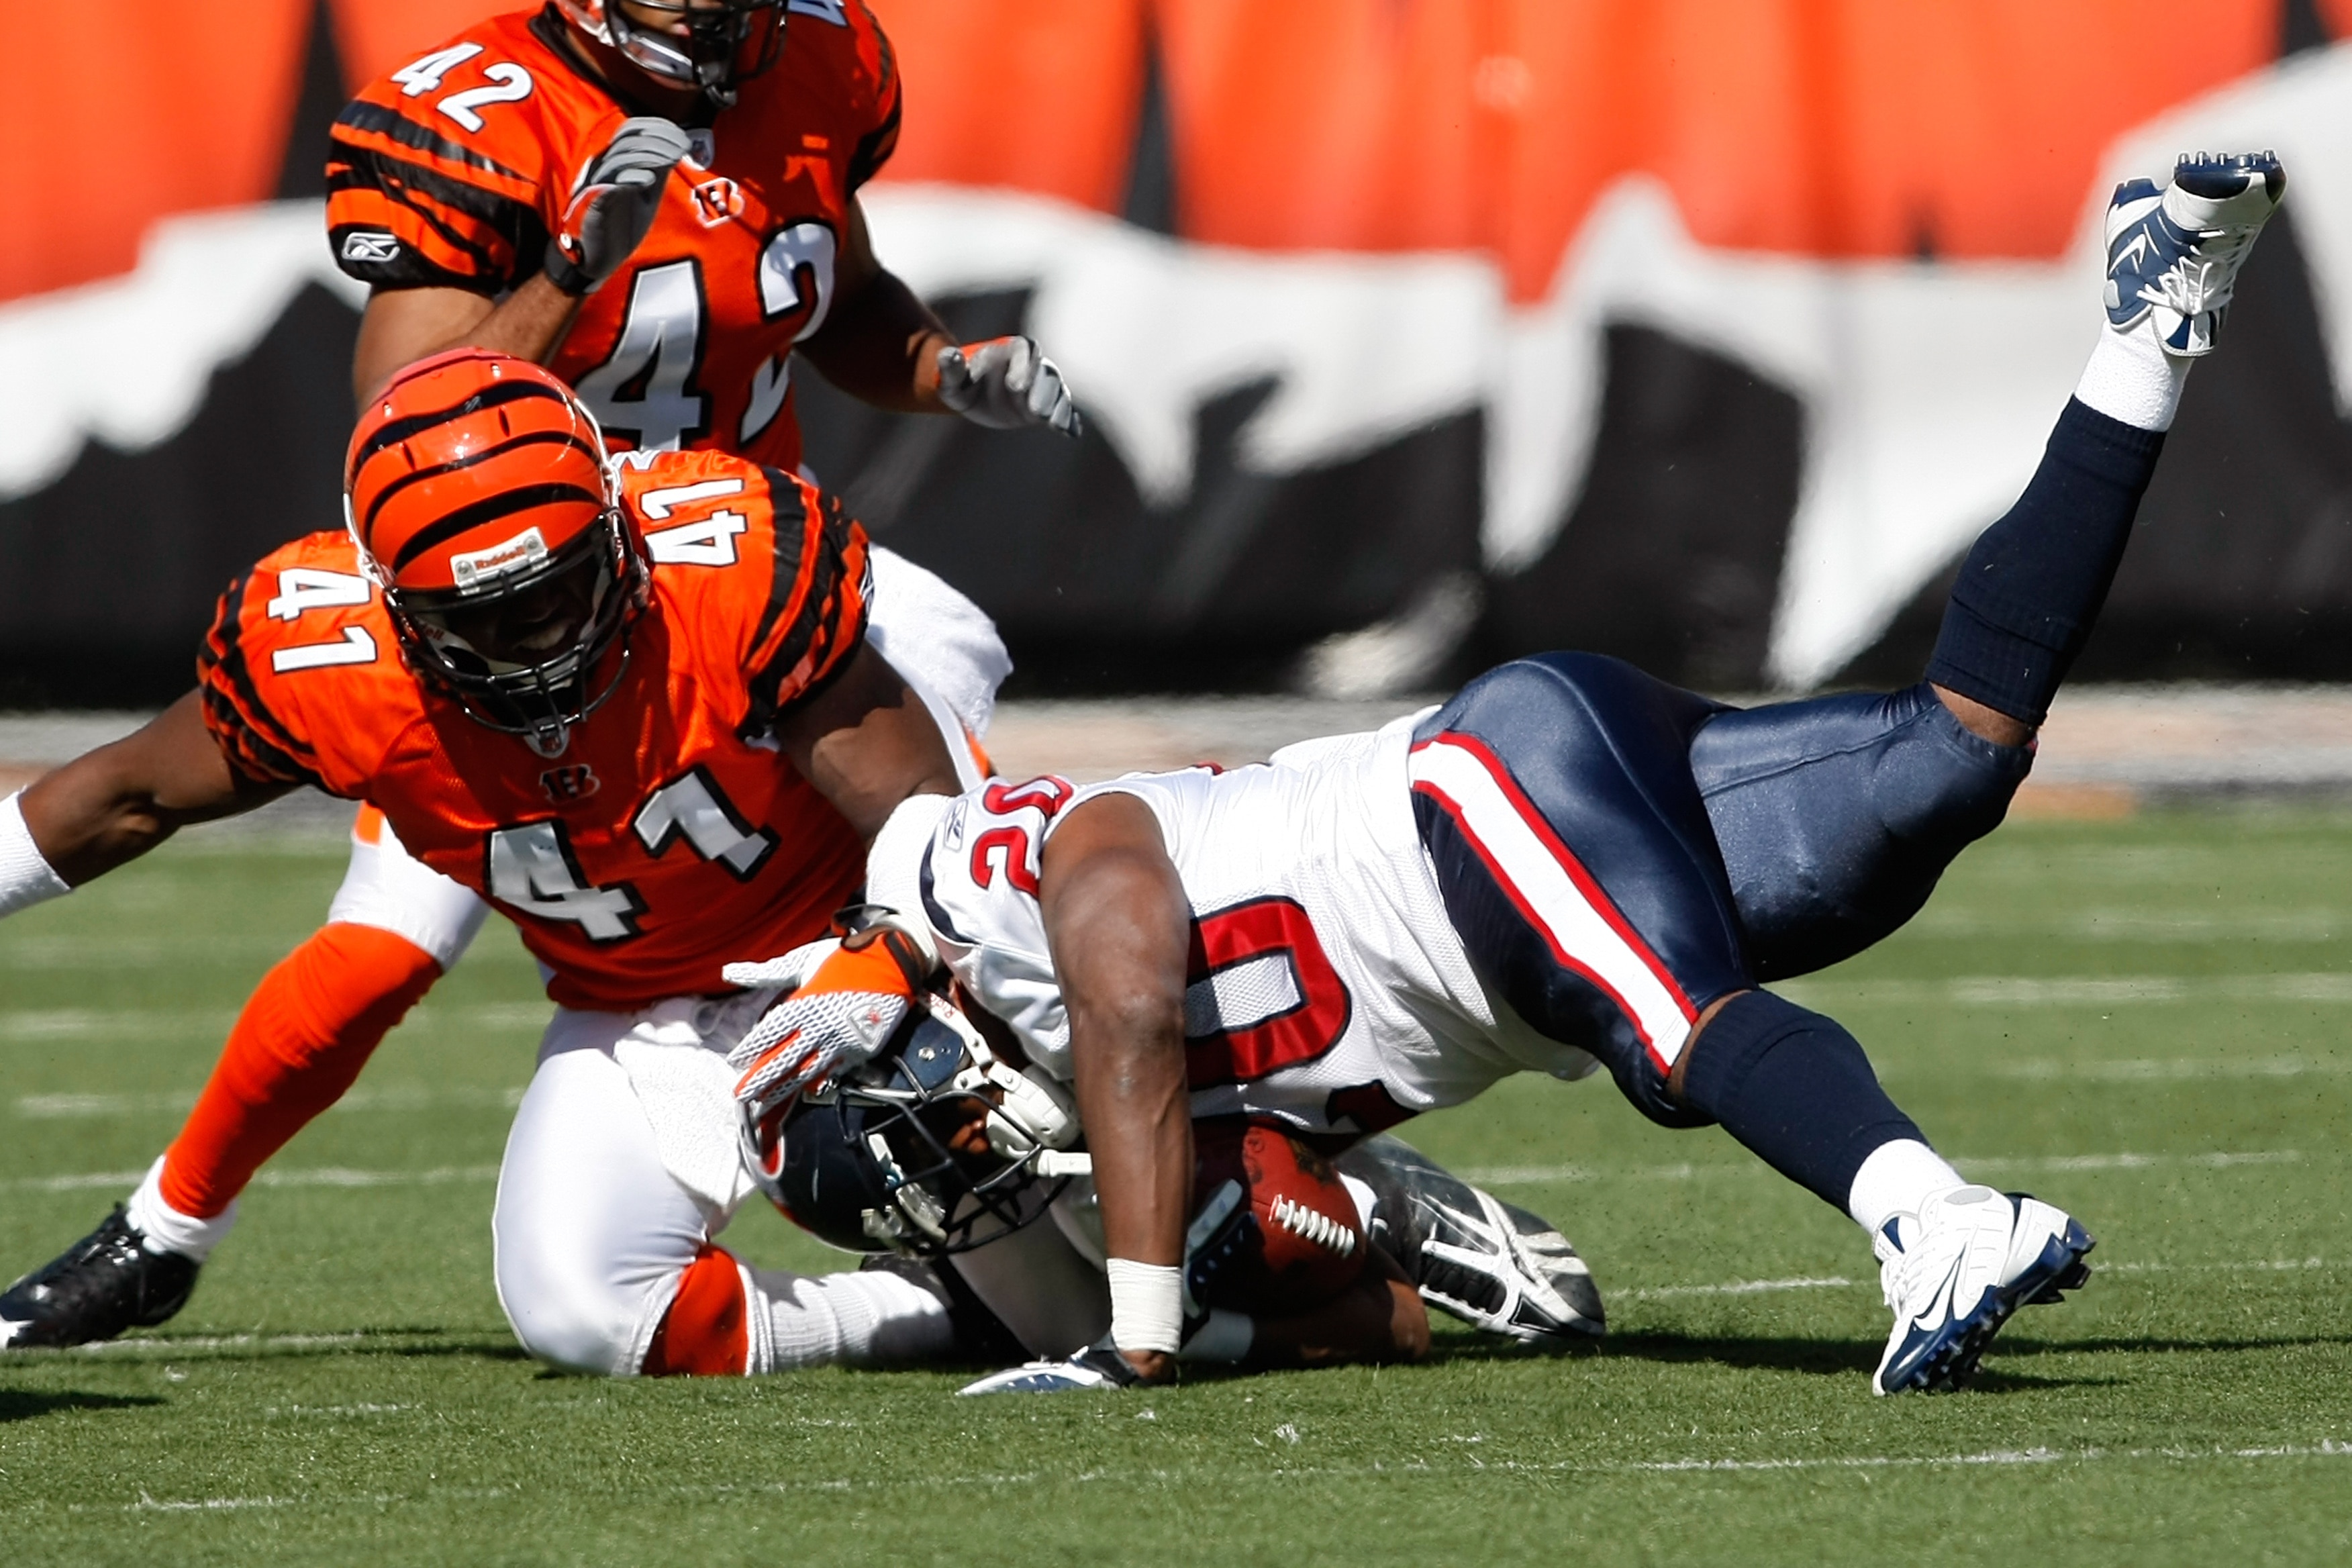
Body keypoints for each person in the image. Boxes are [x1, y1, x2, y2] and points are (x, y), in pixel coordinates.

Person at [727, 153, 2290, 1395]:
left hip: (1469, 806)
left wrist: (1138, 1332)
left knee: (1671, 1026)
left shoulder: (959, 891)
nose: (964, 1168)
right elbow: (1375, 1317)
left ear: (902, 1044)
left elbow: (1125, 961)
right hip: (1524, 884)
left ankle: (1937, 1225)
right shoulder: (1089, 1154)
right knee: (1952, 764)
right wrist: (1269, 1284)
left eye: (928, 1149)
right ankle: (2152, 327)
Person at [0, 351, 1593, 1375]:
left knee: (1079, 1276)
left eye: (559, 590)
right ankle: (950, 1312)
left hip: (857, 953)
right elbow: (112, 800)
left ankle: (1338, 1206)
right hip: (633, 1001)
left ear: (620, 530)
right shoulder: (318, 653)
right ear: (395, 610)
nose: (541, 639)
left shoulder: (731, 569)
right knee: (576, 1308)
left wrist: (878, 976)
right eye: (487, 619)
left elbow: (931, 836)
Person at [0, 0, 1087, 1344]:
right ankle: (164, 1230)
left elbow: (847, 301)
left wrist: (935, 369)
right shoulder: (477, 119)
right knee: (386, 941)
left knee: (970, 859)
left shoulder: (822, 59)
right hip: (492, 604)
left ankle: (1199, 1157)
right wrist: (574, 269)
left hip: (713, 576)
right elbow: (408, 419)